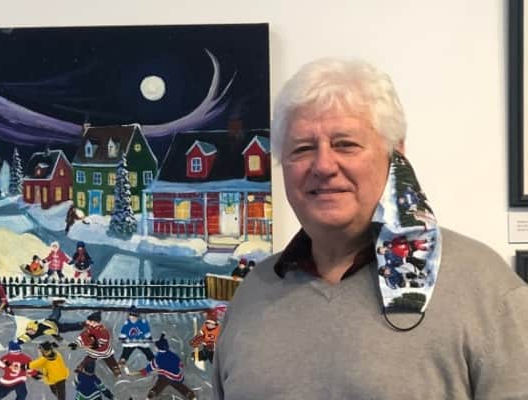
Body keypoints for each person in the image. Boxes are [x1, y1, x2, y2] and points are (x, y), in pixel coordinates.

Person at [212, 58, 528, 399]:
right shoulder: (253, 294)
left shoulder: (484, 290)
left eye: (345, 144)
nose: (323, 165)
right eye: (302, 148)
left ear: (396, 153)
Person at [126, 334, 196, 400]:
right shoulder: (173, 355)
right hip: (175, 376)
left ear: (158, 348)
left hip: (164, 377)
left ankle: (152, 393)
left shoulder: (159, 358)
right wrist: (178, 368)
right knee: (179, 386)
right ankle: (189, 394)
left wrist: (143, 371)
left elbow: (150, 367)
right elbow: (180, 364)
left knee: (159, 384)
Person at [68, 311, 121, 377]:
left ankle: (116, 369)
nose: (87, 322)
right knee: (88, 359)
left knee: (110, 359)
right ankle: (81, 368)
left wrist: (93, 345)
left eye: (89, 321)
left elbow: (104, 341)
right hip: (94, 351)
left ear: (94, 322)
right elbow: (83, 336)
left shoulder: (102, 330)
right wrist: (76, 343)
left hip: (103, 350)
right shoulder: (89, 328)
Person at [16, 299, 85, 345]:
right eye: (29, 331)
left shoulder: (41, 330)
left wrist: (59, 338)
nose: (31, 333)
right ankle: (56, 305)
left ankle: (82, 324)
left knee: (67, 327)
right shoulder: (32, 328)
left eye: (32, 331)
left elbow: (52, 332)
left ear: (34, 329)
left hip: (56, 326)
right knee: (56, 315)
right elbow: (25, 337)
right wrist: (17, 342)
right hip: (50, 321)